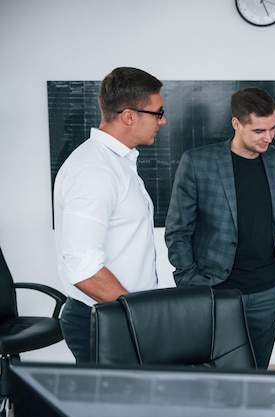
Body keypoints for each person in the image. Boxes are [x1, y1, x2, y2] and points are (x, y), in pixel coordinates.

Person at [164, 87, 275, 369]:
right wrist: (190, 281)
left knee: (257, 370)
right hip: (215, 291)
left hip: (271, 290)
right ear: (236, 124)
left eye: (272, 128)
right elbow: (178, 230)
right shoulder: (198, 162)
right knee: (214, 373)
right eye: (259, 130)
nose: (268, 137)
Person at [54, 67, 165, 362]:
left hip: (120, 313)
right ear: (129, 115)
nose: (163, 120)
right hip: (106, 319)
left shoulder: (118, 163)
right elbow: (83, 269)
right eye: (158, 112)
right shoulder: (94, 171)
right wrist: (139, 315)